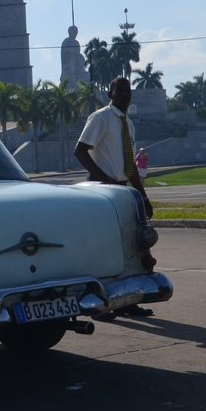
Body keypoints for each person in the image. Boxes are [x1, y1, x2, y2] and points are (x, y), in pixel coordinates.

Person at [75, 77, 155, 317]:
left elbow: (130, 166)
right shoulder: (100, 118)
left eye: (128, 91)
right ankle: (98, 305)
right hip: (100, 190)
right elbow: (80, 151)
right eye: (119, 91)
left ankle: (127, 301)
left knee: (128, 248)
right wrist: (105, 179)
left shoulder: (127, 124)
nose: (125, 95)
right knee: (102, 249)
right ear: (110, 94)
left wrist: (143, 197)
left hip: (121, 191)